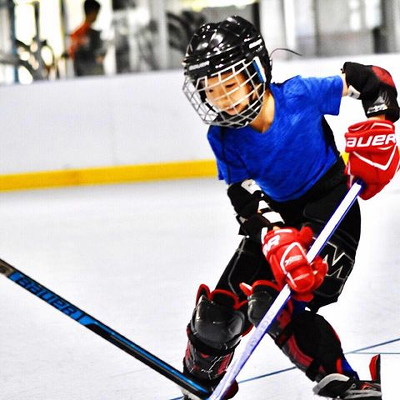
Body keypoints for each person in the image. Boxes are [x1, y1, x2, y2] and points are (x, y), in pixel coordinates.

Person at [180, 16, 399, 400]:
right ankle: (202, 380)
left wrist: (380, 126)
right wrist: (275, 237)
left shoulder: (300, 94)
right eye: (212, 91)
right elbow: (245, 196)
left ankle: (344, 383)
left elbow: (372, 79)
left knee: (273, 305)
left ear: (257, 70)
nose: (223, 99)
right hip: (279, 217)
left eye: (230, 84)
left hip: (332, 214)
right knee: (216, 317)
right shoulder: (223, 137)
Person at [68, 0, 106, 77]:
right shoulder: (81, 33)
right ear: (92, 13)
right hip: (87, 74)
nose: (96, 17)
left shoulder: (79, 33)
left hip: (89, 73)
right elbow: (72, 54)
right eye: (96, 13)